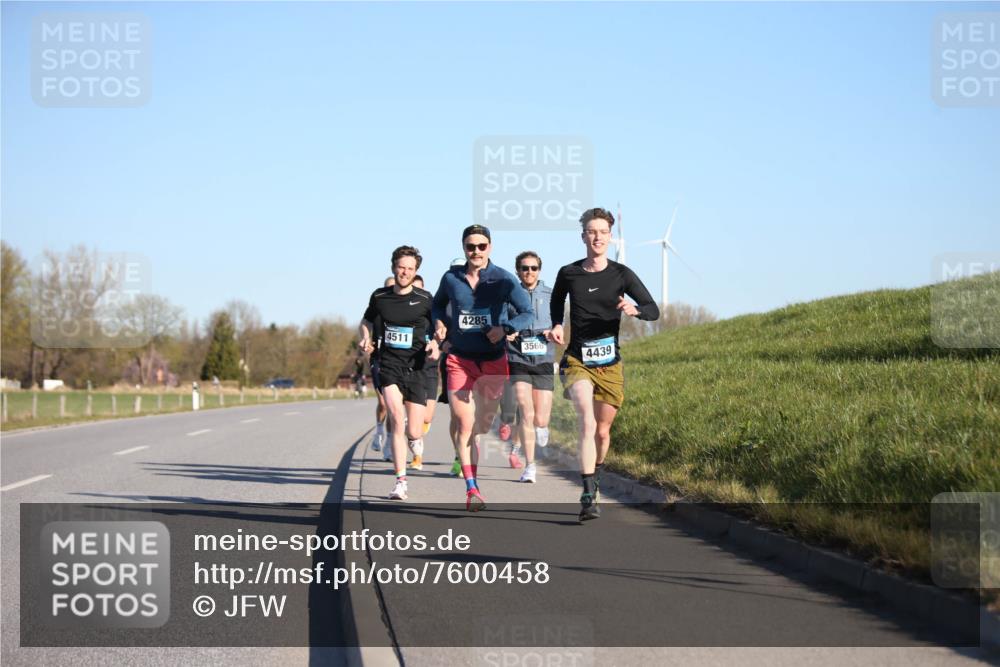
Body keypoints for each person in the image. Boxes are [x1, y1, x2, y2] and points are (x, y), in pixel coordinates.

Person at [549, 208, 659, 521]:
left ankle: (595, 475)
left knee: (602, 431)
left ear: (611, 237)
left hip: (610, 363)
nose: (597, 237)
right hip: (577, 360)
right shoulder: (569, 273)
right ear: (583, 236)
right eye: (591, 231)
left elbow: (653, 309)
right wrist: (556, 324)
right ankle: (587, 495)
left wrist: (635, 310)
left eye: (603, 232)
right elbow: (556, 301)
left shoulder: (622, 274)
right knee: (587, 421)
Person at [432, 225, 534, 511]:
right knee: (464, 423)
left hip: (492, 361)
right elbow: (436, 306)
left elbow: (527, 312)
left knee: (483, 425)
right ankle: (472, 488)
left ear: (490, 247)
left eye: (481, 246)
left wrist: (505, 328)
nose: (475, 251)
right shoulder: (451, 278)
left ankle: (482, 438)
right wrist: (438, 323)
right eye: (470, 246)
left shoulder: (503, 279)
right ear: (463, 247)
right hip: (459, 360)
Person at [360, 248, 439, 500]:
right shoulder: (380, 296)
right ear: (393, 267)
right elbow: (366, 321)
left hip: (416, 367)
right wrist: (366, 338)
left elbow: (439, 325)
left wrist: (435, 342)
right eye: (401, 267)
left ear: (416, 271)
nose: (404, 272)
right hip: (389, 365)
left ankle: (415, 440)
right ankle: (400, 482)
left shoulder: (425, 298)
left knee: (414, 431)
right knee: (396, 419)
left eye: (410, 268)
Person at [504, 251, 555, 484]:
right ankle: (530, 466)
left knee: (540, 419)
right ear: (518, 271)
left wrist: (554, 330)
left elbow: (560, 322)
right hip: (518, 356)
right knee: (526, 412)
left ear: (539, 270)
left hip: (543, 356)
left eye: (533, 268)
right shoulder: (510, 295)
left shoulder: (550, 294)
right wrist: (509, 330)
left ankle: (542, 427)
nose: (529, 272)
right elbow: (501, 319)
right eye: (524, 268)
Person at [370, 276, 396, 457]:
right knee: (383, 403)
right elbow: (365, 324)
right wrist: (366, 340)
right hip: (378, 359)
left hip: (396, 361)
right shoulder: (377, 306)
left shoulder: (403, 310)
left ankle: (389, 443)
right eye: (388, 288)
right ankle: (379, 430)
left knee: (392, 405)